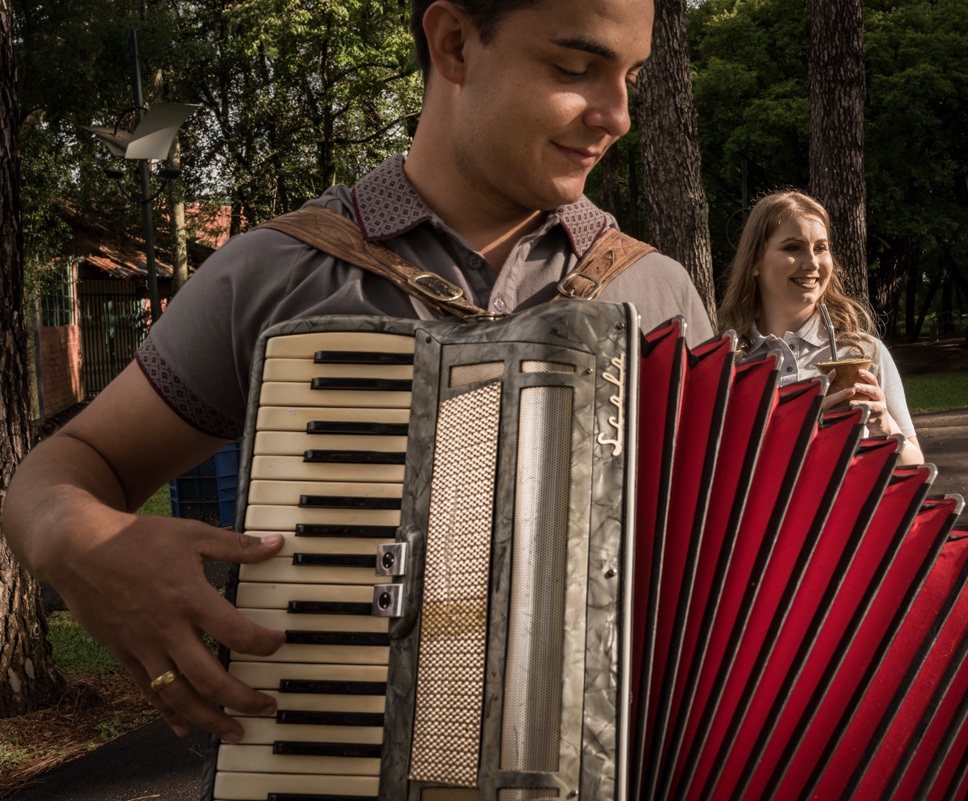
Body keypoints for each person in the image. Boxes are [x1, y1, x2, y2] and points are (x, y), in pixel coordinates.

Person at [2, 0, 712, 745]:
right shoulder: (274, 273)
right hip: (330, 761)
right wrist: (81, 543)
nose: (618, 114)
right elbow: (64, 467)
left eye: (631, 76)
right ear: (454, 44)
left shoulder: (657, 295)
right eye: (577, 69)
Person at [718, 190, 926, 466]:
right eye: (793, 247)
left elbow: (915, 466)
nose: (812, 263)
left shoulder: (861, 352)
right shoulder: (731, 365)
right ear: (755, 261)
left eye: (820, 248)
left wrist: (885, 427)